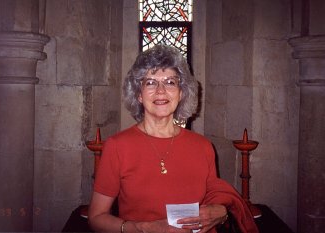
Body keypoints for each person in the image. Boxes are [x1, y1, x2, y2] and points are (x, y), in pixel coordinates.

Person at [88, 44, 258, 233]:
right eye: (150, 82)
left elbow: (215, 199)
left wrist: (221, 211)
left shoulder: (202, 146)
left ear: (182, 92)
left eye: (170, 82)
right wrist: (143, 228)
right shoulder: (118, 146)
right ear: (139, 95)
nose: (161, 91)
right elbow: (96, 218)